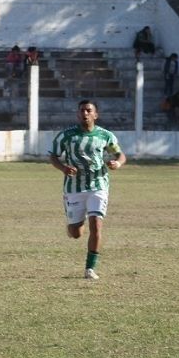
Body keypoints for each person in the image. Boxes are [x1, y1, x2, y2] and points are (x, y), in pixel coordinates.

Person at [49, 100, 126, 280]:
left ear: (95, 115)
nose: (85, 113)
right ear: (78, 114)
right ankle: (74, 223)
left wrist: (118, 163)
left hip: (98, 185)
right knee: (75, 233)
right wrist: (64, 168)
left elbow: (119, 154)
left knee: (96, 224)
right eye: (82, 110)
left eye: (89, 110)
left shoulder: (106, 136)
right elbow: (53, 156)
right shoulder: (66, 136)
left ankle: (90, 268)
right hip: (74, 188)